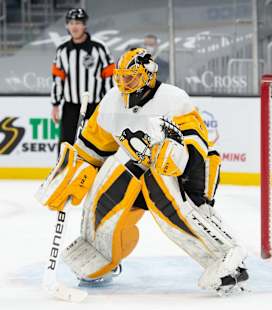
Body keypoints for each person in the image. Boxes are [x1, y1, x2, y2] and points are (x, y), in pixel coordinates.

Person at [37, 48, 248, 295]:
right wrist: (74, 173)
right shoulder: (111, 101)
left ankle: (225, 258)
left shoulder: (173, 99)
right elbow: (91, 150)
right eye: (121, 77)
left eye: (131, 76)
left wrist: (189, 178)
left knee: (165, 189)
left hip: (182, 177)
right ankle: (100, 254)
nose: (124, 82)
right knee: (116, 169)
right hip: (136, 178)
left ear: (148, 75)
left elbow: (197, 146)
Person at [51, 8, 115, 153]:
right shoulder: (62, 51)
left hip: (95, 106)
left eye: (78, 23)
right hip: (71, 106)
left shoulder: (99, 49)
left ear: (84, 25)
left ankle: (100, 173)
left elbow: (109, 77)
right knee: (66, 144)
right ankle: (64, 174)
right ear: (67, 26)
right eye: (71, 23)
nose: (74, 26)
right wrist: (55, 105)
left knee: (99, 143)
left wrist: (108, 103)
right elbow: (58, 79)